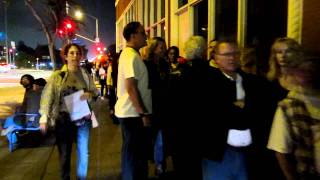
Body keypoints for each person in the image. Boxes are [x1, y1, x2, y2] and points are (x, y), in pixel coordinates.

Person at [201, 41, 277, 180]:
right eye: (226, 54)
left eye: (235, 53)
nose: (232, 58)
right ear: (216, 58)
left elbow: (260, 112)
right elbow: (212, 115)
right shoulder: (206, 83)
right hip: (219, 152)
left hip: (248, 153)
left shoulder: (252, 82)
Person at [39, 43, 99, 180]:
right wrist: (44, 117)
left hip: (83, 118)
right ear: (65, 56)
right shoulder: (58, 76)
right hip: (64, 119)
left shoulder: (85, 74)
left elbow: (96, 93)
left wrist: (90, 94)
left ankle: (81, 178)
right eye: (71, 53)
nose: (75, 56)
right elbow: (48, 96)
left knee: (84, 153)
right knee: (65, 154)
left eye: (77, 53)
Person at [267, 57, 320, 180]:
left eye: (310, 69)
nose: (307, 74)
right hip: (306, 173)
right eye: (302, 70)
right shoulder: (288, 105)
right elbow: (280, 151)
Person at [114, 21, 151, 180]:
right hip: (132, 114)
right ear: (133, 35)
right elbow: (130, 88)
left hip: (131, 113)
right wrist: (143, 114)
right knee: (134, 155)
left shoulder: (132, 54)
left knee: (132, 152)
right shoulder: (130, 56)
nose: (146, 36)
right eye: (143, 33)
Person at [144, 36, 170, 176]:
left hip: (164, 106)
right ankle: (158, 163)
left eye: (164, 47)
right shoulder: (147, 65)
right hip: (152, 105)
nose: (163, 50)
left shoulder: (165, 64)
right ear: (153, 49)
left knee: (161, 136)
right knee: (156, 136)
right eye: (161, 47)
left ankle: (160, 162)